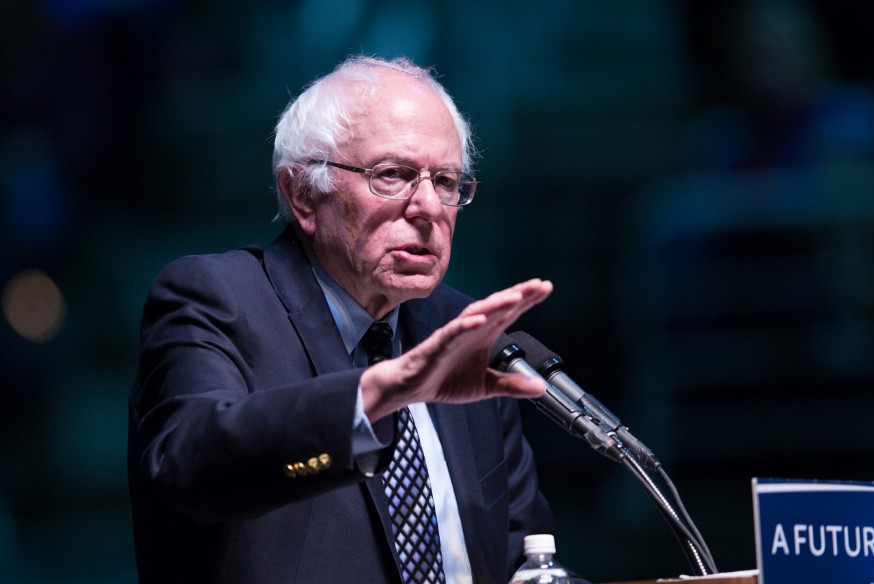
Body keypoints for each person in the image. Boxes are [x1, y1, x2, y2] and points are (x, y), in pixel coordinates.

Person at [127, 55, 569, 584]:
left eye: (446, 180)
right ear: (303, 194)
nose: (429, 206)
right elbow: (191, 469)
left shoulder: (460, 328)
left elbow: (523, 558)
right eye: (393, 175)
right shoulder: (217, 298)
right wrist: (380, 392)